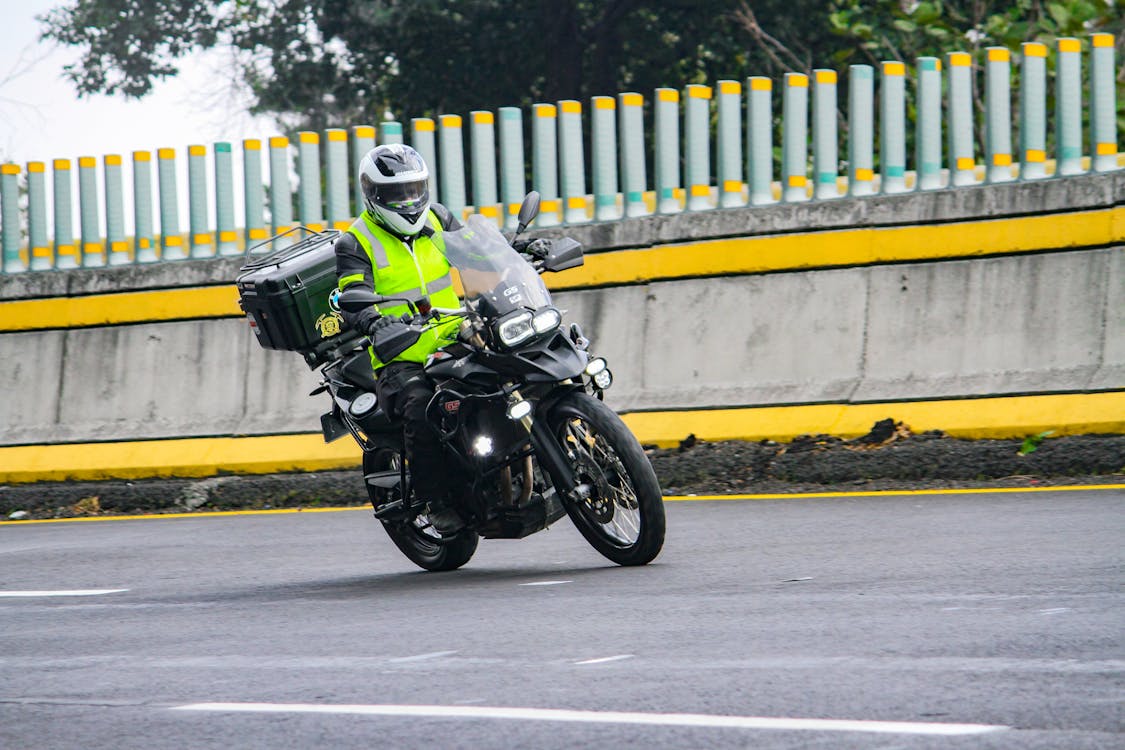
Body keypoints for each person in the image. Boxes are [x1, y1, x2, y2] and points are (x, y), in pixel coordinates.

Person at [334, 144, 466, 534]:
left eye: (414, 190)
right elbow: (351, 294)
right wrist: (374, 323)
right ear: (373, 195)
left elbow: (478, 256)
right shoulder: (355, 242)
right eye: (397, 194)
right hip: (399, 355)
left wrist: (518, 253)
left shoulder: (440, 217)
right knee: (422, 409)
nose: (408, 201)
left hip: (456, 333)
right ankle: (435, 499)